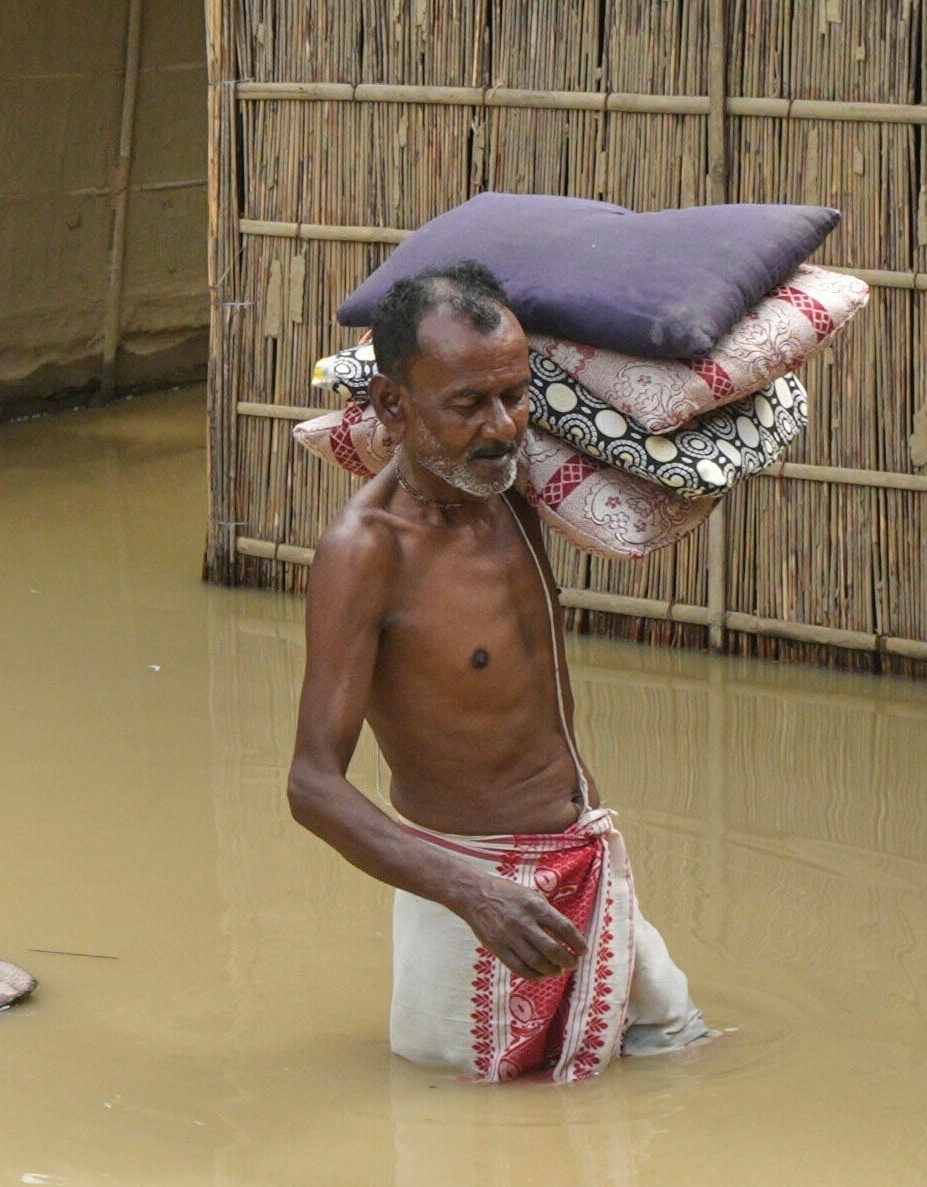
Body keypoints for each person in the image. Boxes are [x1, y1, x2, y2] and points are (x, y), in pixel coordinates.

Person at [287, 262, 708, 1081]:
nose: (505, 426)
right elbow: (311, 785)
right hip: (469, 900)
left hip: (584, 858)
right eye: (470, 405)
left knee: (683, 1056)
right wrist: (472, 892)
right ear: (393, 408)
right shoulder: (367, 551)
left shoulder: (514, 489)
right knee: (465, 1156)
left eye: (516, 397)